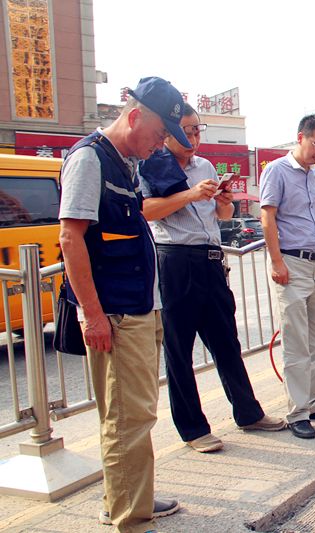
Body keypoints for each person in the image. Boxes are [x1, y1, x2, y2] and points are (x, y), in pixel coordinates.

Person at [58, 76, 185, 531]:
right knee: (126, 418)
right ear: (134, 117)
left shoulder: (125, 163)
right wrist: (92, 314)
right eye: (157, 135)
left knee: (137, 413)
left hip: (138, 305)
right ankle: (130, 518)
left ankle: (131, 497)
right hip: (114, 311)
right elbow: (71, 238)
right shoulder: (90, 159)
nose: (159, 147)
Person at [140, 104, 286, 454]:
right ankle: (192, 428)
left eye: (197, 130)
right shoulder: (151, 165)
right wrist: (191, 194)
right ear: (168, 132)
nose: (193, 138)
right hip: (175, 260)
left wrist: (224, 202)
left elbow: (221, 215)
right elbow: (146, 211)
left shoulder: (204, 166)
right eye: (186, 131)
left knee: (226, 341)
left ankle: (248, 413)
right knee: (179, 349)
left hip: (210, 258)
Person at [260, 114, 315, 440]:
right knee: (295, 342)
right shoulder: (277, 172)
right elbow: (268, 217)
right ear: (300, 137)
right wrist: (277, 261)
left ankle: (314, 400)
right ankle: (297, 412)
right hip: (291, 265)